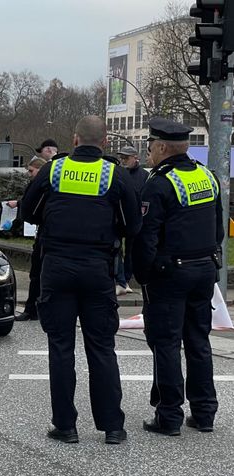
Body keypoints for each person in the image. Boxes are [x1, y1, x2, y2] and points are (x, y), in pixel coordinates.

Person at [21, 115, 141, 445]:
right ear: (104, 143)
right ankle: (112, 426)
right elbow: (133, 224)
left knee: (60, 348)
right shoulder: (114, 174)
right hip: (97, 268)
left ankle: (65, 425)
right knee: (101, 347)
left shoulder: (54, 170)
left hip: (57, 266)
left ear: (74, 140)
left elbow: (28, 213)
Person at [133, 117, 223, 436]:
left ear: (160, 147)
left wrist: (142, 275)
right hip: (204, 270)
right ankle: (204, 412)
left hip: (170, 275)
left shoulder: (158, 183)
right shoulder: (208, 177)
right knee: (198, 341)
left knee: (166, 343)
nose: (148, 153)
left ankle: (169, 415)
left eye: (150, 148)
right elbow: (218, 229)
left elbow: (146, 238)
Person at [14, 156, 48, 321]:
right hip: (45, 234)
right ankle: (35, 309)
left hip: (45, 236)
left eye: (31, 171)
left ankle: (32, 309)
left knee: (37, 274)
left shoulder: (41, 185)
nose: (29, 174)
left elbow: (32, 207)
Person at [114, 145, 149, 296]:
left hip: (135, 219)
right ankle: (120, 280)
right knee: (116, 250)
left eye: (126, 158)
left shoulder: (144, 176)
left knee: (131, 252)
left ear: (136, 158)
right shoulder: (119, 173)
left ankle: (125, 279)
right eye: (121, 158)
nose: (123, 161)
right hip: (118, 218)